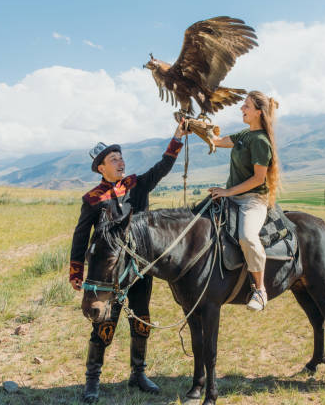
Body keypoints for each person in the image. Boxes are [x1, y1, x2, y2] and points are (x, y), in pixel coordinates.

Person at [69, 122, 188, 403]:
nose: (120, 161)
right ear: (101, 167)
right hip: (109, 274)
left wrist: (177, 139)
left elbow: (162, 167)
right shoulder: (93, 199)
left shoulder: (136, 185)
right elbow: (80, 235)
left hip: (139, 270)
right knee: (104, 323)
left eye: (121, 157)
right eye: (114, 159)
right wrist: (76, 271)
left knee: (141, 320)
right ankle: (92, 380)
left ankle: (138, 374)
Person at [207, 91, 281, 311]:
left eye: (246, 106)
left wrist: (227, 192)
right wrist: (195, 127)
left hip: (252, 200)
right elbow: (217, 142)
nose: (242, 109)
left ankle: (260, 290)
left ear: (258, 112)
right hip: (233, 196)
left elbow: (258, 178)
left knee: (247, 237)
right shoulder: (245, 135)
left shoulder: (260, 142)